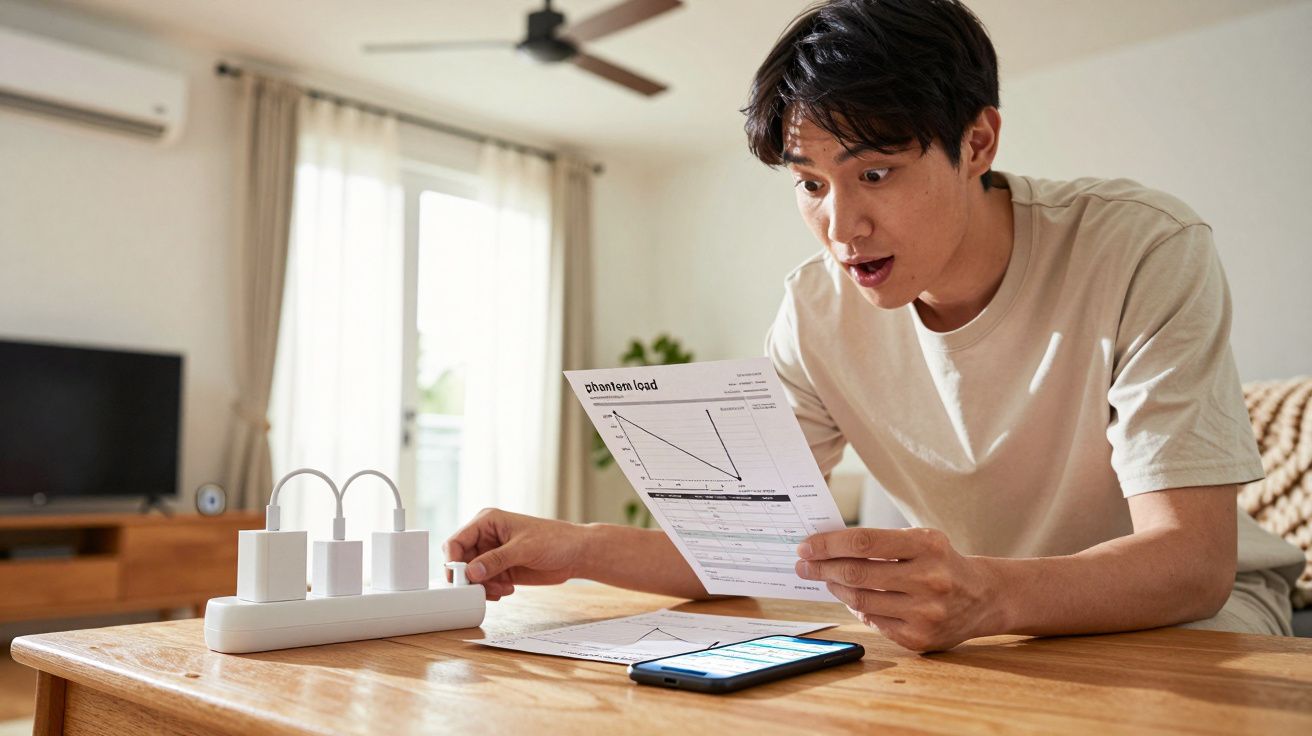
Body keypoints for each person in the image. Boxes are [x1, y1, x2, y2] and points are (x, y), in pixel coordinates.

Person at [444, 0, 1306, 652]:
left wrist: (987, 595)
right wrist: (576, 544)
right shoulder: (815, 310)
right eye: (809, 183)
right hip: (983, 628)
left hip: (1194, 615)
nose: (841, 226)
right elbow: (745, 547)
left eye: (877, 173)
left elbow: (1191, 564)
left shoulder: (1141, 247)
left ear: (978, 143)